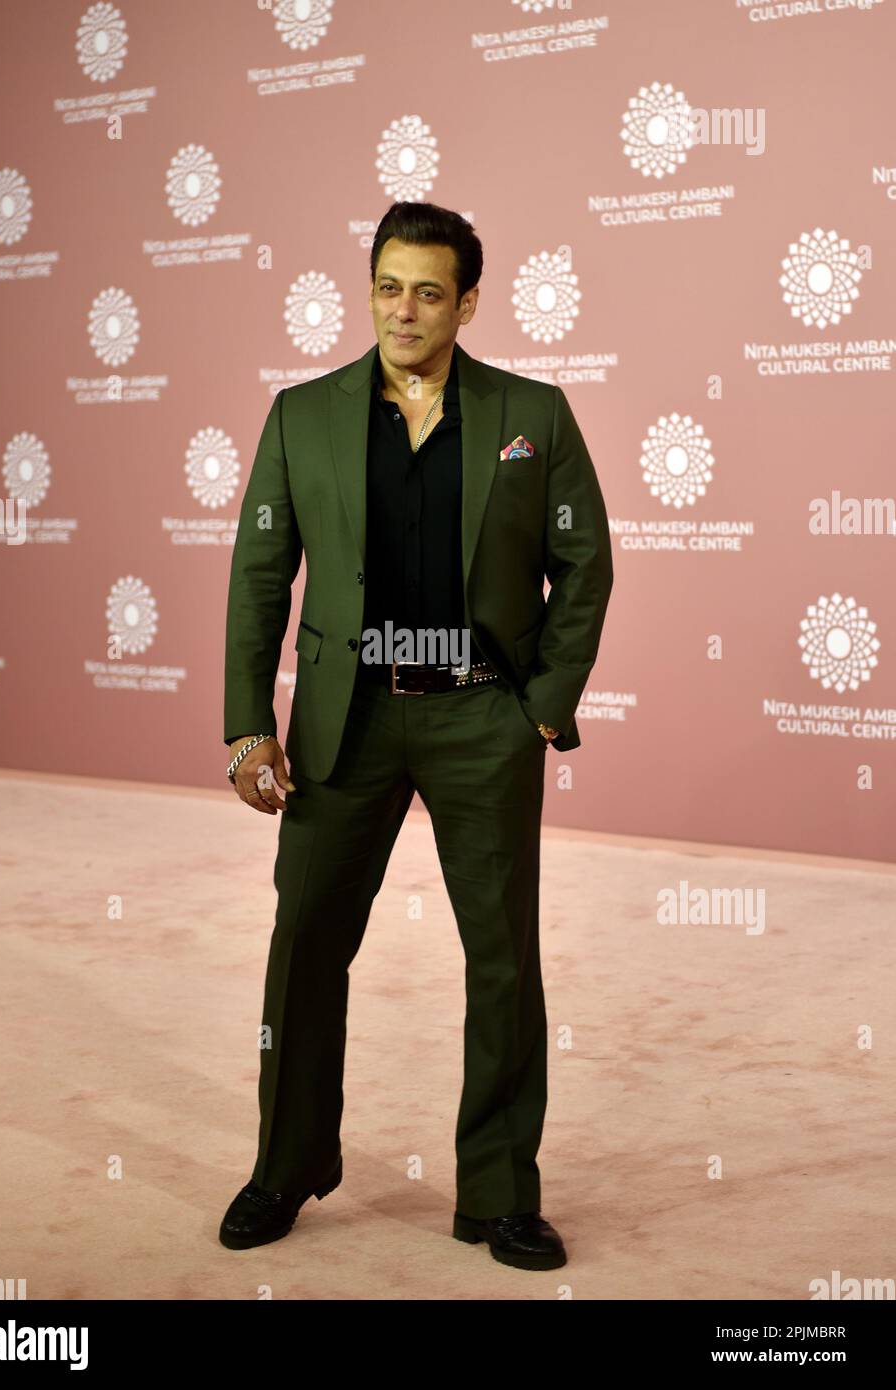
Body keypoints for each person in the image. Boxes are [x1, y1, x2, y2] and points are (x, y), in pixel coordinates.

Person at [219, 200, 613, 1271]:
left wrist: (540, 700)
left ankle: (499, 1191)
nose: (405, 308)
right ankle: (284, 1164)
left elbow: (583, 566)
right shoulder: (301, 416)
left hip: (482, 716)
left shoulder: (532, 412)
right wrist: (248, 727)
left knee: (502, 960)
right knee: (303, 946)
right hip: (345, 720)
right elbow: (261, 577)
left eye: (428, 291)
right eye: (388, 286)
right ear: (370, 289)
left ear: (465, 301)